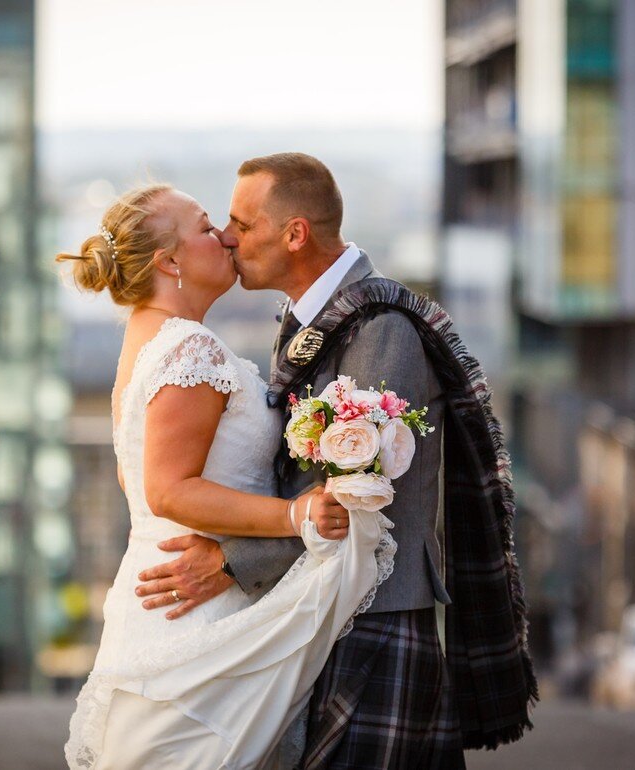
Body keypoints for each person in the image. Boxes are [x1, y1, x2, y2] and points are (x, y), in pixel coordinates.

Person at [136, 153, 537, 768]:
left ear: (295, 234)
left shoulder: (379, 330)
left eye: (243, 223)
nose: (227, 236)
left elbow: (359, 501)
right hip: (327, 603)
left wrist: (231, 561)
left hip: (375, 612)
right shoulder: (312, 320)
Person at [58, 184, 398, 769]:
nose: (224, 237)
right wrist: (294, 515)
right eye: (205, 226)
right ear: (170, 261)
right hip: (195, 613)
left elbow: (132, 478)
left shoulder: (144, 339)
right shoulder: (189, 348)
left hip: (168, 590)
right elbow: (165, 489)